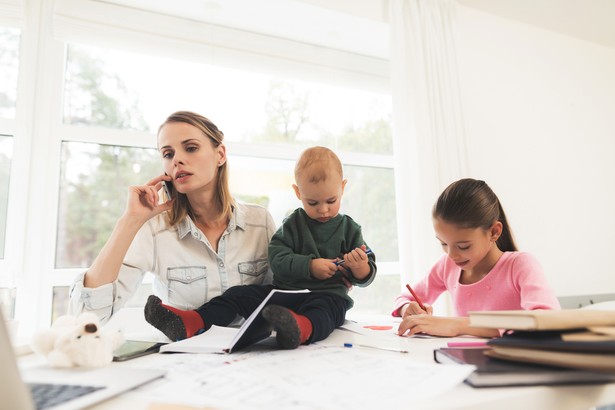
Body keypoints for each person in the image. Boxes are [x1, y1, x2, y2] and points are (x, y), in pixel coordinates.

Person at [144, 146, 377, 348]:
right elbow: (277, 258)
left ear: (342, 188)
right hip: (285, 296)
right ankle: (192, 322)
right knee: (238, 295)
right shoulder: (293, 223)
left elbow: (367, 274)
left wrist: (360, 268)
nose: (323, 210)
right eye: (312, 202)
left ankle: (300, 329)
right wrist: (309, 266)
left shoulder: (349, 228)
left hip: (328, 296)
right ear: (298, 193)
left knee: (325, 311)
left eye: (331, 201)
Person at [69, 111, 276, 323]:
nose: (177, 160)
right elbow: (88, 315)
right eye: (168, 154)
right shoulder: (154, 229)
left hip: (254, 353)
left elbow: (280, 299)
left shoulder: (260, 222)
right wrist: (129, 221)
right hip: (185, 354)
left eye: (191, 148)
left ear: (220, 154)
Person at [394, 178, 560, 338]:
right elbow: (404, 298)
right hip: (462, 361)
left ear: (494, 232)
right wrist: (407, 308)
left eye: (463, 246)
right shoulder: (447, 266)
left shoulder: (520, 265)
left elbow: (547, 320)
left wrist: (459, 325)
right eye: (443, 244)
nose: (451, 255)